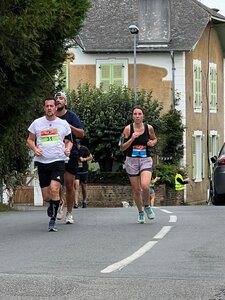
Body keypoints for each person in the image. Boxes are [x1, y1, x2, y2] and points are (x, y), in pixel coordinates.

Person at [27, 97, 73, 232]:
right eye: (46, 106)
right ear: (44, 108)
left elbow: (69, 141)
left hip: (58, 161)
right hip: (42, 162)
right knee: (47, 196)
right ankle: (57, 202)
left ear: (55, 107)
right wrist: (35, 149)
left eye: (51, 106)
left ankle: (52, 221)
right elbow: (30, 139)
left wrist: (68, 149)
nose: (49, 108)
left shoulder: (63, 124)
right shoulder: (36, 123)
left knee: (54, 189)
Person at [119, 105, 157, 224]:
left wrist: (152, 143)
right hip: (131, 160)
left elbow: (155, 139)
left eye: (139, 114)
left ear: (143, 116)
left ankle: (147, 206)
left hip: (145, 159)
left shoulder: (148, 128)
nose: (137, 116)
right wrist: (131, 139)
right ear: (132, 116)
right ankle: (141, 212)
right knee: (136, 190)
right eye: (135, 114)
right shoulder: (127, 129)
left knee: (145, 185)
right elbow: (121, 147)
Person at [55, 92, 84, 224]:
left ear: (65, 102)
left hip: (70, 153)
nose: (58, 100)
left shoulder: (71, 116)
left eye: (61, 98)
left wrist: (68, 126)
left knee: (69, 184)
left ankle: (70, 213)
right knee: (55, 183)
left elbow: (81, 134)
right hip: (54, 154)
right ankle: (60, 201)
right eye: (56, 98)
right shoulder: (50, 117)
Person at [74, 141, 93, 208]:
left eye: (77, 146)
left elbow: (91, 157)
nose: (76, 147)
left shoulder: (84, 149)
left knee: (84, 187)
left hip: (84, 171)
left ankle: (84, 200)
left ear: (79, 145)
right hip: (76, 171)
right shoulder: (72, 150)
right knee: (76, 185)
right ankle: (75, 203)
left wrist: (84, 159)